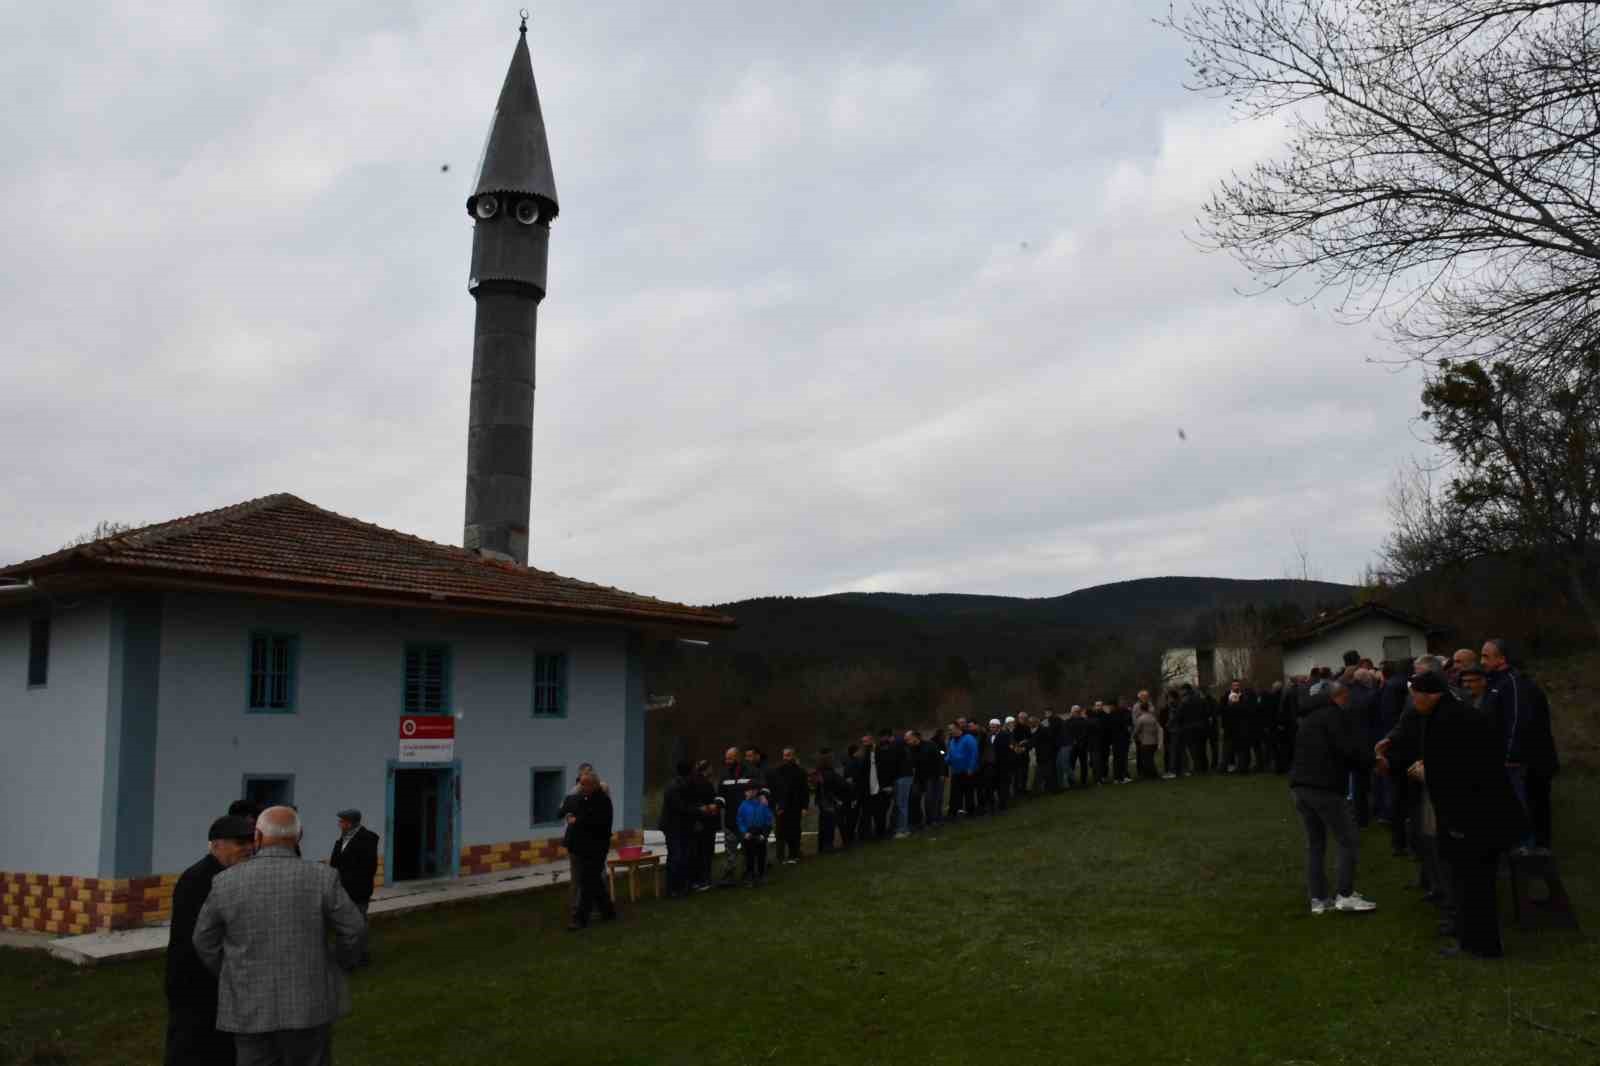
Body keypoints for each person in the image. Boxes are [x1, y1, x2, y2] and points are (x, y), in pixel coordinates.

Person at [193, 807, 364, 1065]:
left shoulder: (225, 881)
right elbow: (354, 928)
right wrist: (339, 961)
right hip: (309, 1002)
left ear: (258, 836)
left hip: (249, 1002)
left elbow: (203, 939)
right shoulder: (322, 877)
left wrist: (231, 970)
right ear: (300, 835)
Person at [1381, 670, 1527, 958]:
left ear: (1430, 694)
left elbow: (1464, 771)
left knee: (1474, 883)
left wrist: (1428, 772)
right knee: (1467, 881)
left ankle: (1482, 945)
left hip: (1473, 814)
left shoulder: (1450, 719)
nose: (1413, 702)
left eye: (1416, 696)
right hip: (1472, 811)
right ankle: (1471, 939)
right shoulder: (1449, 714)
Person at [166, 815, 255, 1066]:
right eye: (240, 842)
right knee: (192, 1049)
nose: (248, 847)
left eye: (251, 840)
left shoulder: (229, 874)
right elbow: (201, 939)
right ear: (216, 845)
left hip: (215, 983)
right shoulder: (199, 879)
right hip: (196, 984)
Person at [1287, 683, 1377, 915]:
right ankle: (1345, 895)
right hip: (1325, 788)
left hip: (1300, 786)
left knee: (1315, 844)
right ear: (1339, 696)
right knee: (1348, 839)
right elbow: (1347, 750)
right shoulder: (1334, 716)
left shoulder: (1308, 718)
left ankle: (1318, 899)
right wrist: (1372, 762)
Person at [1482, 637, 1558, 852]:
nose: (1482, 661)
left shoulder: (1514, 684)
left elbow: (1517, 722)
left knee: (1524, 803)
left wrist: (1510, 757)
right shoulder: (1496, 683)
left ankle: (1528, 849)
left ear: (1502, 659)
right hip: (1507, 759)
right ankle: (1520, 847)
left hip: (1522, 761)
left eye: (1486, 656)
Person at [562, 769, 617, 929]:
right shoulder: (586, 798)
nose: (582, 787)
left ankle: (580, 919)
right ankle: (608, 911)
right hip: (585, 846)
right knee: (594, 881)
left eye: (585, 784)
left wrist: (576, 821)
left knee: (587, 882)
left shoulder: (602, 801)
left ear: (594, 785)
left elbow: (595, 822)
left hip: (597, 847)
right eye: (581, 784)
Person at [660, 761, 703, 896]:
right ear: (689, 772)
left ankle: (682, 885)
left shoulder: (684, 784)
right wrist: (700, 810)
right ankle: (672, 888)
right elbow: (681, 808)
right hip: (673, 827)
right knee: (676, 856)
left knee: (683, 855)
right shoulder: (674, 787)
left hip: (682, 826)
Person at [716, 748, 753, 884]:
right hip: (730, 819)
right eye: (726, 758)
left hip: (747, 819)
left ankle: (748, 873)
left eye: (730, 758)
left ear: (737, 758)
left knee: (748, 848)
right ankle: (729, 875)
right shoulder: (724, 775)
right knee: (730, 850)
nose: (727, 761)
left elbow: (757, 789)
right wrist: (718, 804)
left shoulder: (749, 772)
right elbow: (720, 793)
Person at [772, 747, 810, 864]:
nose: (786, 758)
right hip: (781, 806)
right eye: (784, 755)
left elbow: (805, 790)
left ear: (793, 756)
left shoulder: (801, 771)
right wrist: (776, 804)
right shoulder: (778, 771)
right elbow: (774, 789)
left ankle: (794, 855)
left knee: (794, 831)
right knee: (780, 832)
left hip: (795, 806)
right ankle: (780, 857)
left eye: (788, 755)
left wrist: (804, 806)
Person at [737, 784, 774, 886]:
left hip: (760, 832)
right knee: (749, 856)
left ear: (755, 792)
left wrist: (764, 834)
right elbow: (740, 820)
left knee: (761, 855)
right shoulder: (743, 805)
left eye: (751, 791)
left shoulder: (763, 804)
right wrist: (745, 832)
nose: (748, 793)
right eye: (747, 791)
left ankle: (762, 875)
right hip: (748, 833)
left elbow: (769, 820)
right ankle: (750, 875)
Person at [813, 750, 850, 852]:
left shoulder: (818, 773)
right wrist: (848, 783)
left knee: (824, 826)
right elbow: (842, 785)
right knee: (837, 824)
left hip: (823, 802)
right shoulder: (830, 773)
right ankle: (833, 846)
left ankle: (822, 847)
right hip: (831, 802)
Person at [945, 723, 979, 816]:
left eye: (951, 729)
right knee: (955, 793)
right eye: (949, 730)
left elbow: (974, 753)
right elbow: (950, 754)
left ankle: (970, 811)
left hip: (967, 770)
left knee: (968, 792)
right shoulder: (952, 741)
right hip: (956, 771)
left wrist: (971, 768)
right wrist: (944, 761)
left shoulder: (968, 738)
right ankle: (953, 811)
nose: (950, 731)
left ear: (957, 728)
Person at [918, 730, 948, 830]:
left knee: (935, 797)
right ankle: (933, 818)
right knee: (934, 797)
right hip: (934, 774)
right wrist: (941, 752)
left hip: (935, 774)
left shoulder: (933, 743)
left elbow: (943, 753)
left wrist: (942, 752)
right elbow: (943, 753)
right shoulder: (934, 743)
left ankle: (935, 817)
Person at [1133, 701, 1161, 780]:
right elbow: (1158, 728)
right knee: (1150, 758)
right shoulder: (1153, 718)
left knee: (1147, 760)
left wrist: (1134, 736)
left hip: (1145, 741)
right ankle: (1149, 774)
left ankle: (1153, 774)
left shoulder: (1141, 718)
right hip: (1154, 741)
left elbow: (1137, 730)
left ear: (1141, 709)